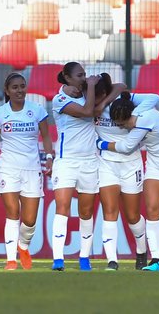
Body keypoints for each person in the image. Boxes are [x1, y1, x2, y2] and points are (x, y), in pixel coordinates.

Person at [96, 91, 159, 272]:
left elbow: (125, 147)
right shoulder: (139, 110)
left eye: (123, 125)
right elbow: (153, 97)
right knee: (152, 211)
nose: (123, 128)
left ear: (129, 117)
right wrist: (128, 96)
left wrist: (101, 144)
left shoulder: (143, 121)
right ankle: (155, 258)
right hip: (155, 165)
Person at [0, 72, 54, 271]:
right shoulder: (0, 113)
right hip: (8, 168)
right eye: (15, 87)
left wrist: (49, 157)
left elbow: (46, 137)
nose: (19, 90)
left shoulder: (37, 110)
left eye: (22, 86)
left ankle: (23, 245)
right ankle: (11, 260)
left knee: (29, 220)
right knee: (13, 212)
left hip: (32, 169)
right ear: (7, 91)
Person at [93, 74, 159, 271]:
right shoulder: (91, 106)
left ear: (105, 94)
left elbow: (154, 97)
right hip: (106, 164)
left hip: (131, 165)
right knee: (109, 212)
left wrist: (134, 112)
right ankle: (112, 260)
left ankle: (141, 251)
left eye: (98, 97)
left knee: (132, 216)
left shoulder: (125, 100)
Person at [50, 62, 101, 271]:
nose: (84, 78)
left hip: (90, 160)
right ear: (67, 78)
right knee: (62, 207)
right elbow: (89, 111)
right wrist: (91, 88)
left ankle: (84, 257)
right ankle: (58, 259)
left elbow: (119, 87)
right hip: (66, 161)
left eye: (85, 74)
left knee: (86, 211)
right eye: (80, 75)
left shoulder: (87, 93)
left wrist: (92, 87)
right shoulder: (59, 99)